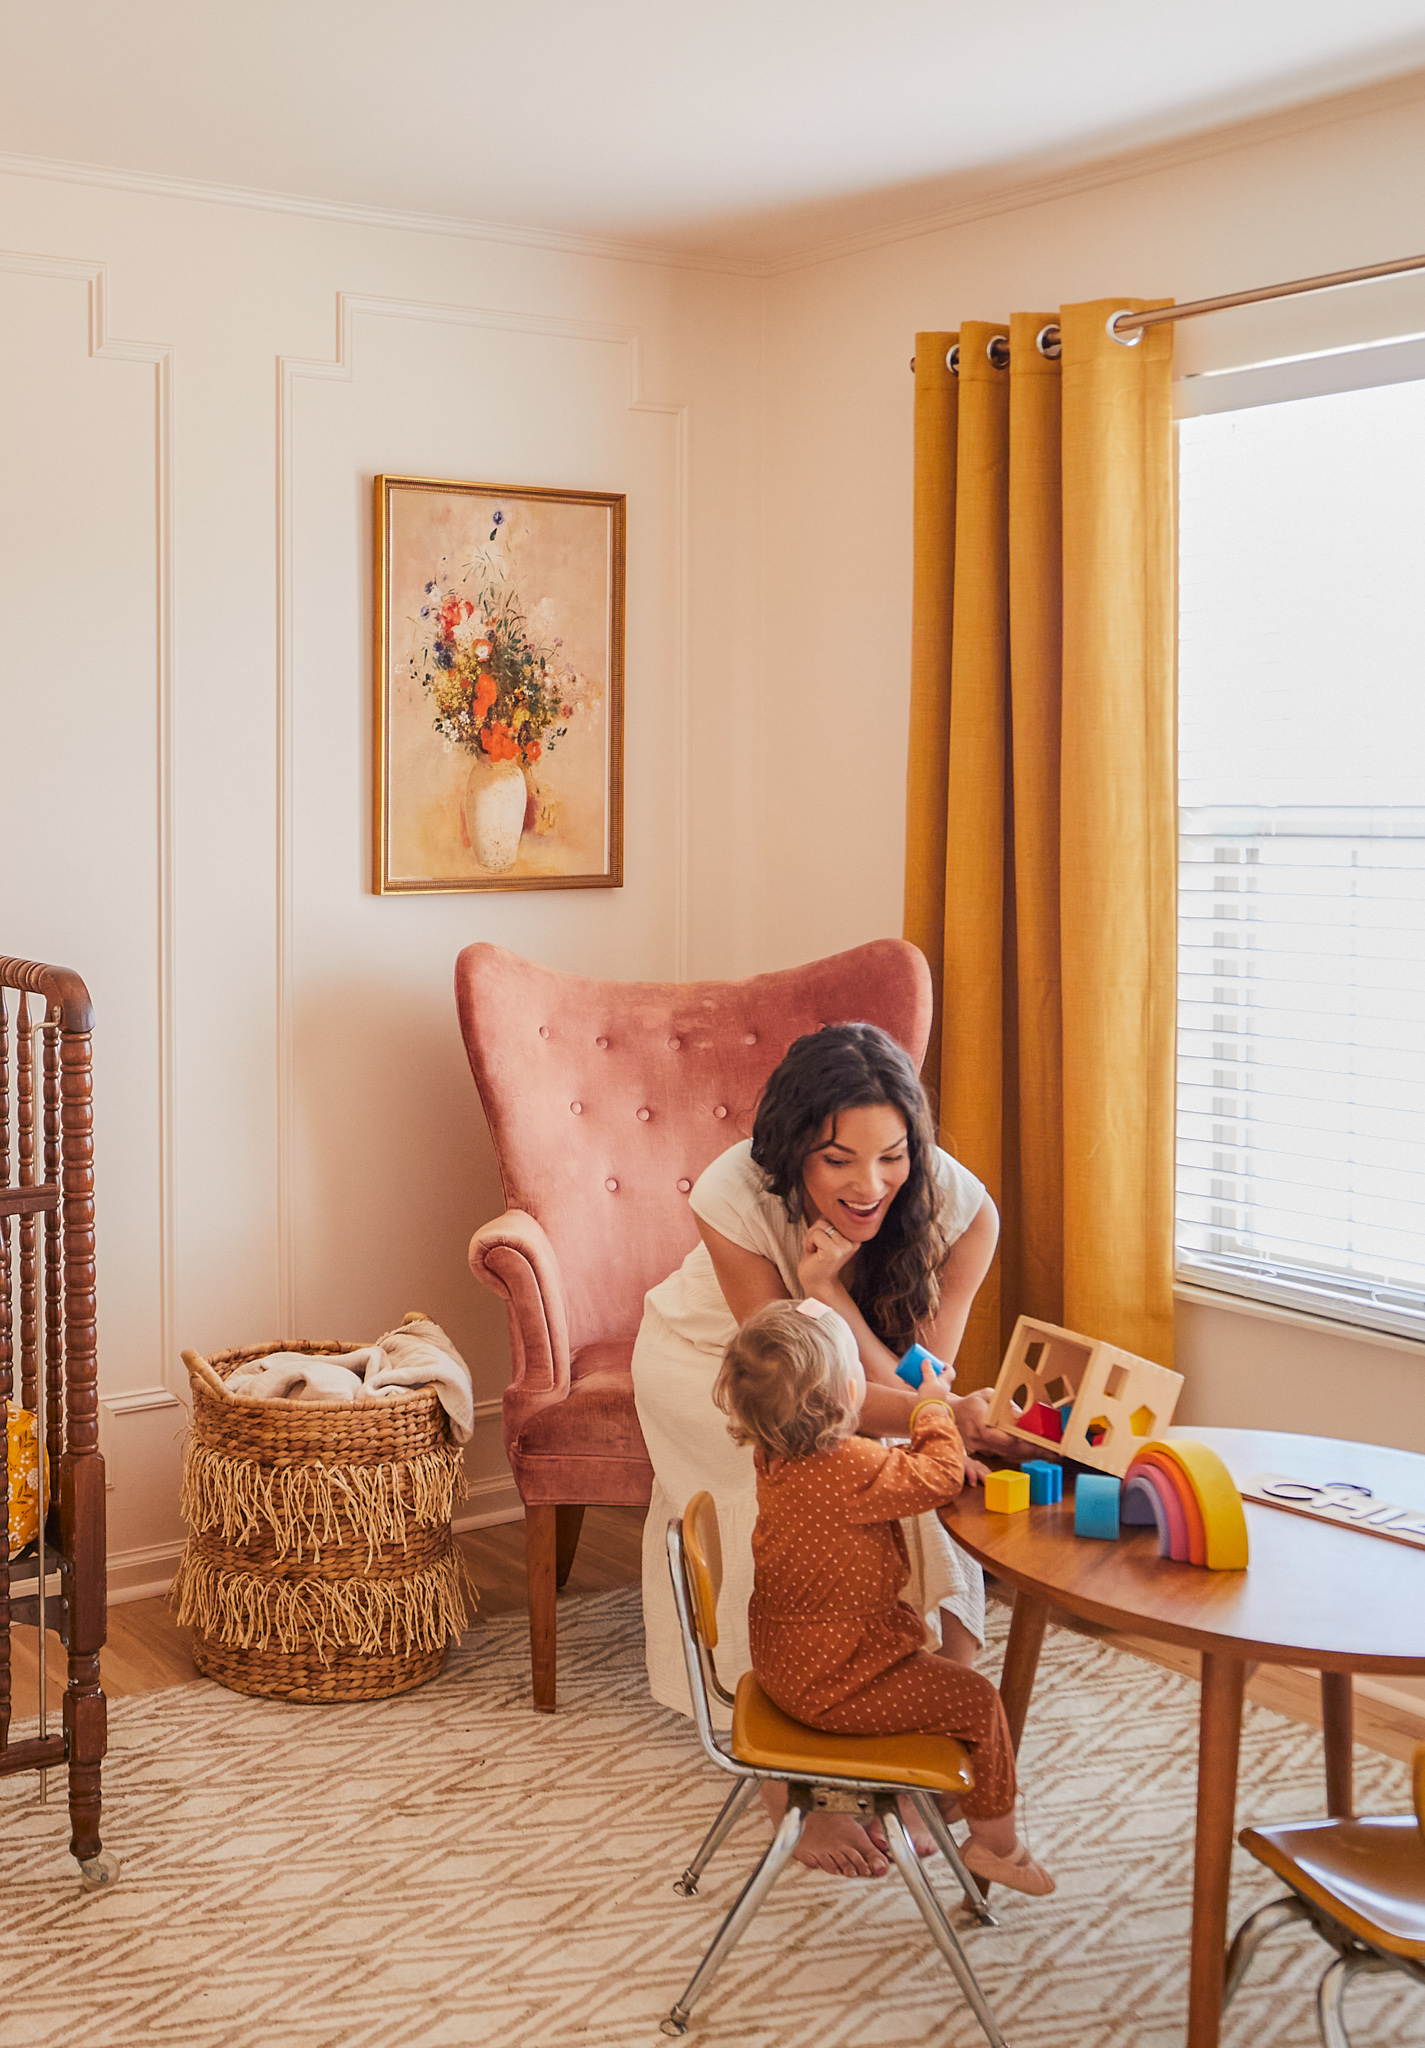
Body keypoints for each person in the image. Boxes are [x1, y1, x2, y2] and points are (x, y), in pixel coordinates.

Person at [631, 1019, 1018, 1878]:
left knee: (923, 1503)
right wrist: (941, 1416)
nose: (868, 1184)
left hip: (845, 1382)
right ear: (793, 1149)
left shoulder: (963, 1213)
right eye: (837, 1158)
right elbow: (801, 1392)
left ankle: (914, 1746)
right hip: (733, 1373)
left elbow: (909, 1384)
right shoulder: (734, 1195)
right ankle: (792, 1795)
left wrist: (830, 1289)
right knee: (779, 1532)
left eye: (891, 1156)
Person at [714, 1298, 1053, 1896]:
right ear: (849, 1393)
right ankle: (997, 1846)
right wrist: (931, 1403)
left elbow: (869, 1473)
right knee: (977, 1700)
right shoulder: (852, 1467)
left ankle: (931, 1803)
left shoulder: (776, 1456)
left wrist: (910, 1460)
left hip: (782, 1668)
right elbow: (941, 1473)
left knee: (935, 1679)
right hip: (839, 1680)